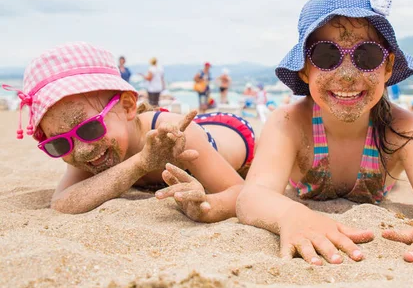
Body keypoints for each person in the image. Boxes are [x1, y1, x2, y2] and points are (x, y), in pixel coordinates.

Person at [237, 0, 413, 268]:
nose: (347, 76)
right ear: (305, 69)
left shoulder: (405, 130)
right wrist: (290, 215)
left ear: (388, 67)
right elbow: (253, 197)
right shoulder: (290, 123)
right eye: (325, 55)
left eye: (367, 56)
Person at [2, 42, 256, 222]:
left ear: (127, 106)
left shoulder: (175, 137)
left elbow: (241, 194)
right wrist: (140, 164)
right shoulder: (86, 149)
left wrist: (208, 208)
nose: (81, 150)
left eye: (90, 127)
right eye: (59, 144)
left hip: (231, 135)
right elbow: (62, 203)